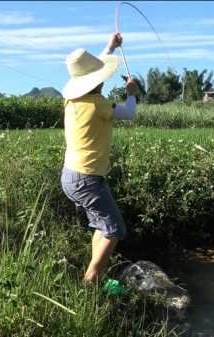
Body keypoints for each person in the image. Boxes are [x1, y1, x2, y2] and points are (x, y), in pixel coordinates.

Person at [60, 33, 139, 283]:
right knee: (115, 229)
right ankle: (91, 281)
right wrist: (132, 93)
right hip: (87, 178)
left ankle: (96, 274)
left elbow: (95, 68)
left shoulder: (71, 100)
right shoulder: (97, 104)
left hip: (71, 176)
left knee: (100, 226)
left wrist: (110, 47)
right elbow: (128, 113)